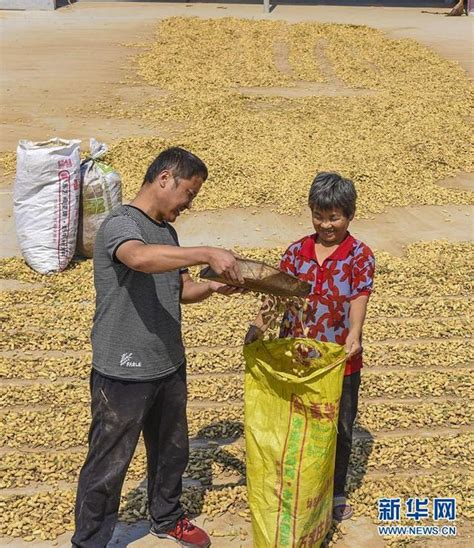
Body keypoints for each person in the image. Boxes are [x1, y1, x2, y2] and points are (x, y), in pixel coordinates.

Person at [72, 147, 245, 548]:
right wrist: (206, 252)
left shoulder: (167, 233)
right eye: (189, 192)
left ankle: (167, 517)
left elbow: (179, 288)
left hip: (168, 363)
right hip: (122, 369)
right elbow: (139, 258)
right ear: (164, 178)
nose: (189, 203)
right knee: (108, 464)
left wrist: (212, 287)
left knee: (172, 452)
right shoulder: (119, 223)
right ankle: (90, 540)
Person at [245, 172, 375, 522]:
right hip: (298, 360)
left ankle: (335, 491)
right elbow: (279, 296)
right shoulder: (296, 252)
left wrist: (354, 334)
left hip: (338, 360)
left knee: (339, 426)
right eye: (319, 215)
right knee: (298, 423)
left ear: (349, 215)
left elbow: (358, 296)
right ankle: (298, 484)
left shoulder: (359, 255)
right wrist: (259, 327)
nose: (326, 224)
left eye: (334, 217)